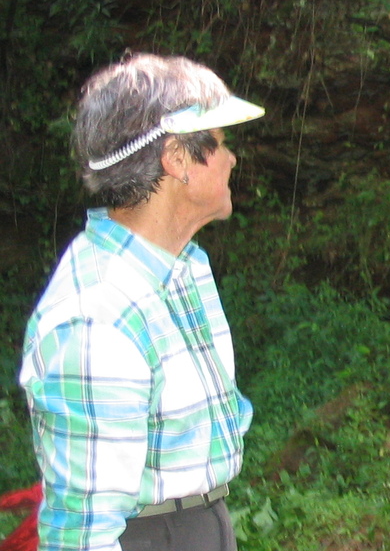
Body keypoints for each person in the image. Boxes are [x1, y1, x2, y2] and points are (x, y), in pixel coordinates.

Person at [19, 53, 265, 551]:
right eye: (218, 143)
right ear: (177, 158)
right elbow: (82, 538)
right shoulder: (97, 317)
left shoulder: (180, 269)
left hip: (199, 524)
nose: (231, 157)